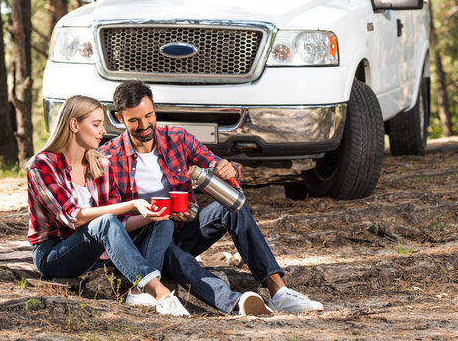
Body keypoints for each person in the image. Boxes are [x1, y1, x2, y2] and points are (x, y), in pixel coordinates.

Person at [99, 81, 324, 315]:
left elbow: (215, 163)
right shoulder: (110, 157)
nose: (144, 126)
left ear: (154, 109)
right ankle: (237, 303)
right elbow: (114, 220)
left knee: (232, 206)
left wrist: (227, 169)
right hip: (143, 244)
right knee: (174, 256)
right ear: (119, 117)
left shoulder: (176, 138)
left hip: (184, 230)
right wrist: (156, 213)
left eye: (148, 116)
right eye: (134, 120)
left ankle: (279, 292)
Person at [27, 95, 189, 316]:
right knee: (105, 221)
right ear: (74, 124)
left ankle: (138, 293)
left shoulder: (100, 164)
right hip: (55, 254)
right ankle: (160, 293)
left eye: (102, 124)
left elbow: (118, 225)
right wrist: (131, 203)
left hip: (96, 254)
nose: (103, 130)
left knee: (162, 223)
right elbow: (73, 217)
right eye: (96, 125)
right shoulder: (42, 165)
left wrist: (149, 215)